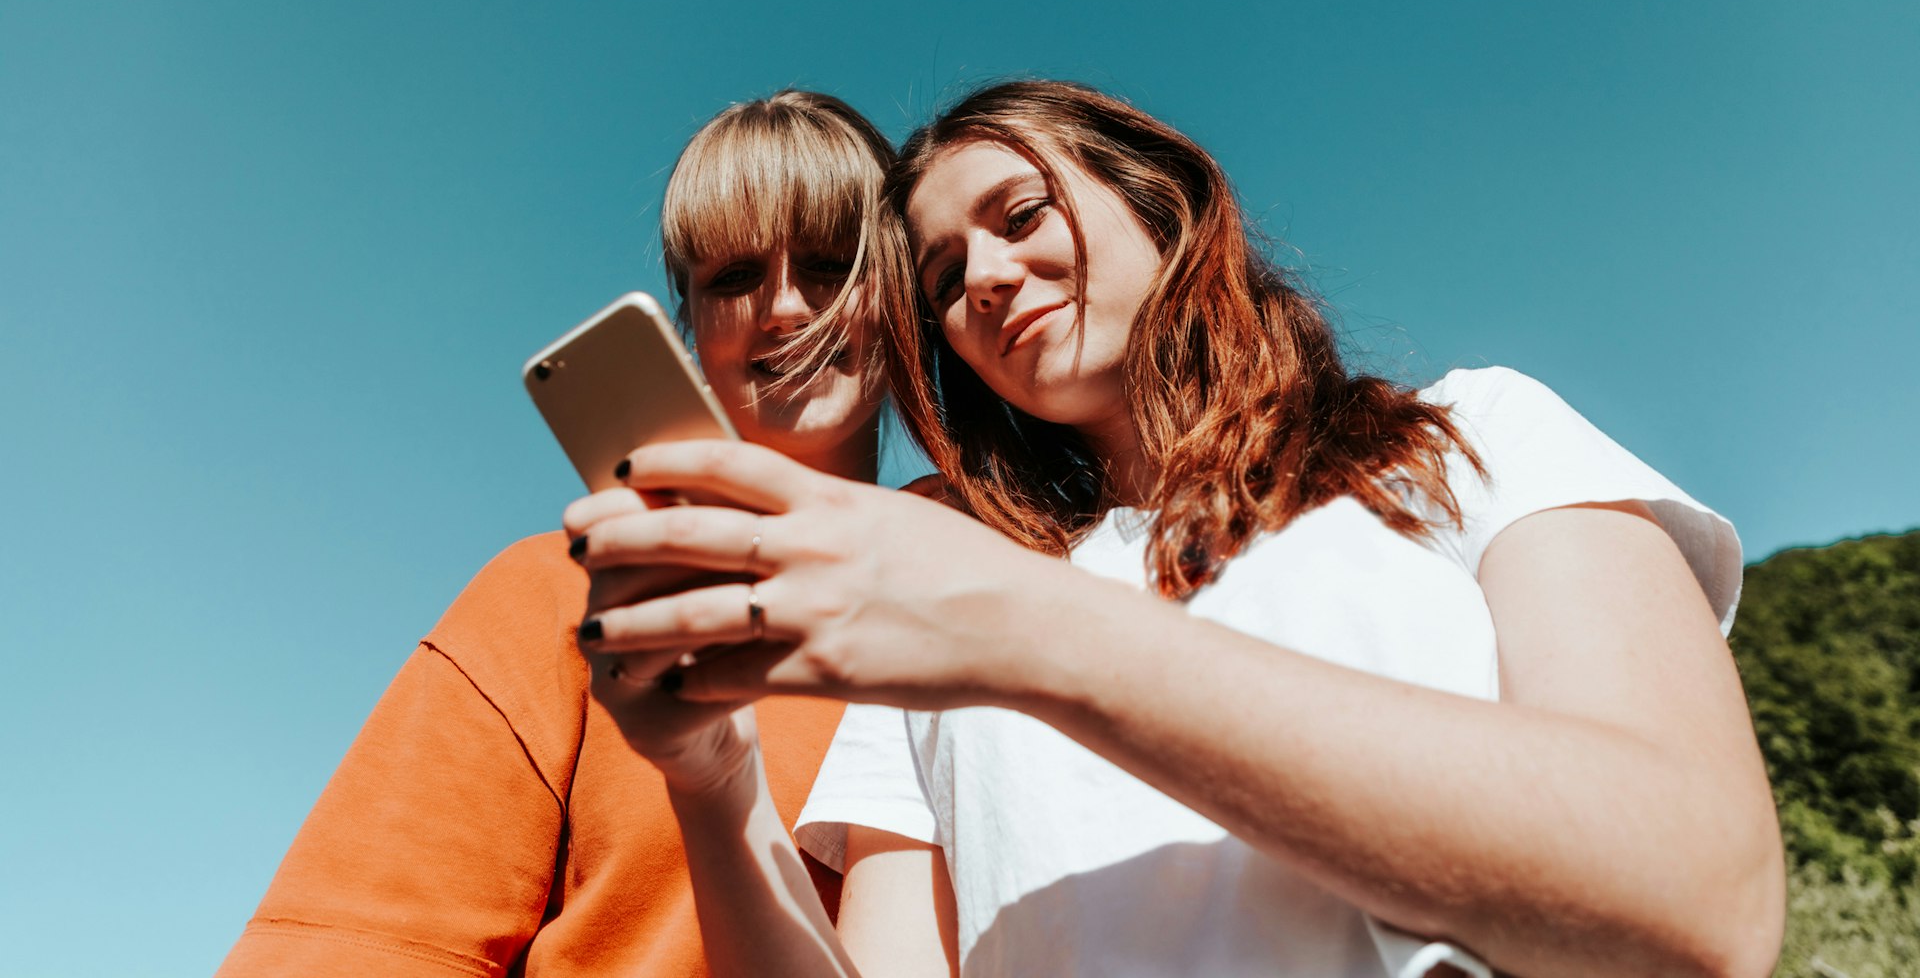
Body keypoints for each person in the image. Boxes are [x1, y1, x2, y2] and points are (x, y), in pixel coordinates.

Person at [569, 80, 1786, 978]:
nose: (984, 275)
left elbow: (1696, 892)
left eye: (1021, 212)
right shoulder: (948, 606)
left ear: (1163, 198)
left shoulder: (1474, 438)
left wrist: (1032, 630)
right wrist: (713, 781)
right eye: (940, 278)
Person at [217, 90, 895, 978]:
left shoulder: (1018, 565)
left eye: (831, 264)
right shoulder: (561, 594)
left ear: (904, 295)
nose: (785, 309)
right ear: (685, 324)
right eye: (733, 277)